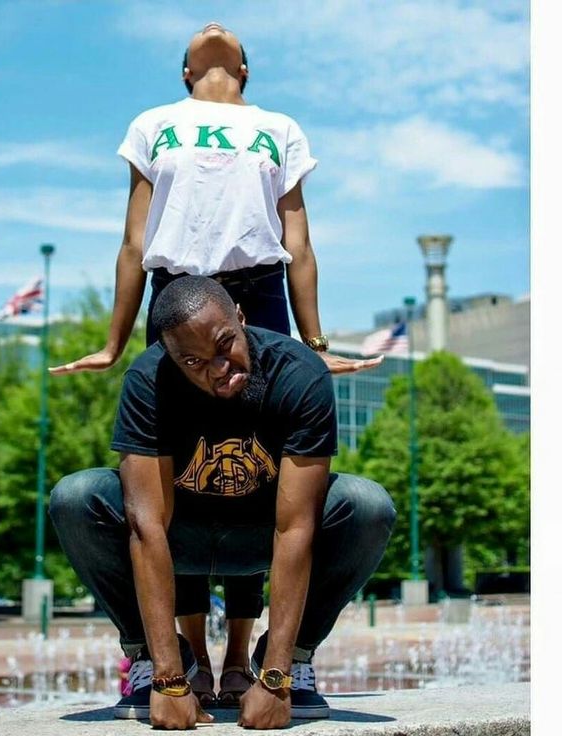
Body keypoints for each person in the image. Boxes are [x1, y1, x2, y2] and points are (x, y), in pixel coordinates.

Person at [50, 21, 382, 707]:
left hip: (256, 291)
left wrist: (315, 346)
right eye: (197, 39)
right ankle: (181, 659)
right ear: (183, 72)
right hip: (177, 296)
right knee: (180, 474)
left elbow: (300, 239)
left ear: (246, 69)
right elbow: (134, 241)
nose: (212, 27)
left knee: (261, 467)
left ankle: (247, 658)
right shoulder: (155, 123)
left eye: (227, 36)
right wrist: (114, 341)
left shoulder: (278, 127)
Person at [49, 276, 396, 729]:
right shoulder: (147, 381)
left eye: (223, 344)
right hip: (180, 537)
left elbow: (295, 528)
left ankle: (297, 655)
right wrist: (169, 680)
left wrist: (275, 678)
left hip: (262, 535)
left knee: (368, 504)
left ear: (241, 317)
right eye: (192, 361)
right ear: (171, 357)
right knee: (75, 496)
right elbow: (147, 527)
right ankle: (146, 656)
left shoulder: (299, 374)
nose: (215, 368)